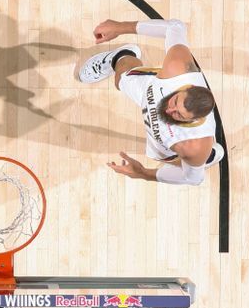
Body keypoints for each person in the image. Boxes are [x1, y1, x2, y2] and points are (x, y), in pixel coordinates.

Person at [77, 18, 224, 186]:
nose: (169, 110)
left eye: (178, 114)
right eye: (175, 101)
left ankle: (205, 157)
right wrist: (119, 27)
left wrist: (143, 173)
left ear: (192, 120)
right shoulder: (177, 68)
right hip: (151, 92)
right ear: (184, 88)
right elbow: (175, 27)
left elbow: (193, 179)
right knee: (120, 78)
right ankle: (120, 55)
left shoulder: (192, 145)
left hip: (173, 147)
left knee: (177, 159)